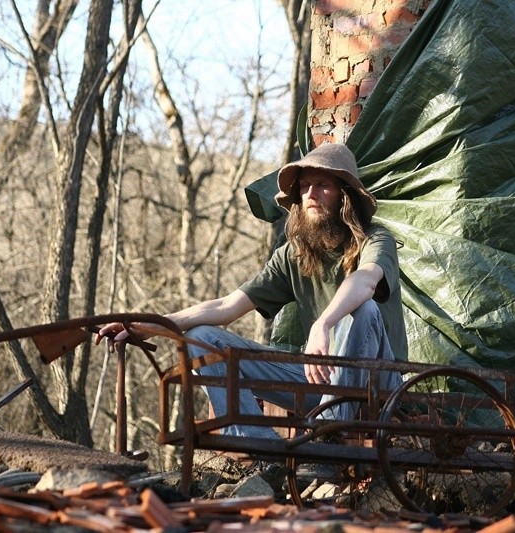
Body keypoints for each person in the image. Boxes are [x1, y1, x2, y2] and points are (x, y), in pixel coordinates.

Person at [97, 142, 406, 441]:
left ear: (345, 195)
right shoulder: (294, 255)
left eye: (323, 185)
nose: (311, 194)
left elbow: (365, 279)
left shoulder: (376, 240)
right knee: (204, 337)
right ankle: (258, 447)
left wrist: (323, 323)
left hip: (374, 383)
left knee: (362, 309)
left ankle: (331, 436)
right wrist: (149, 326)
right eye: (304, 186)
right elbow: (226, 306)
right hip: (319, 384)